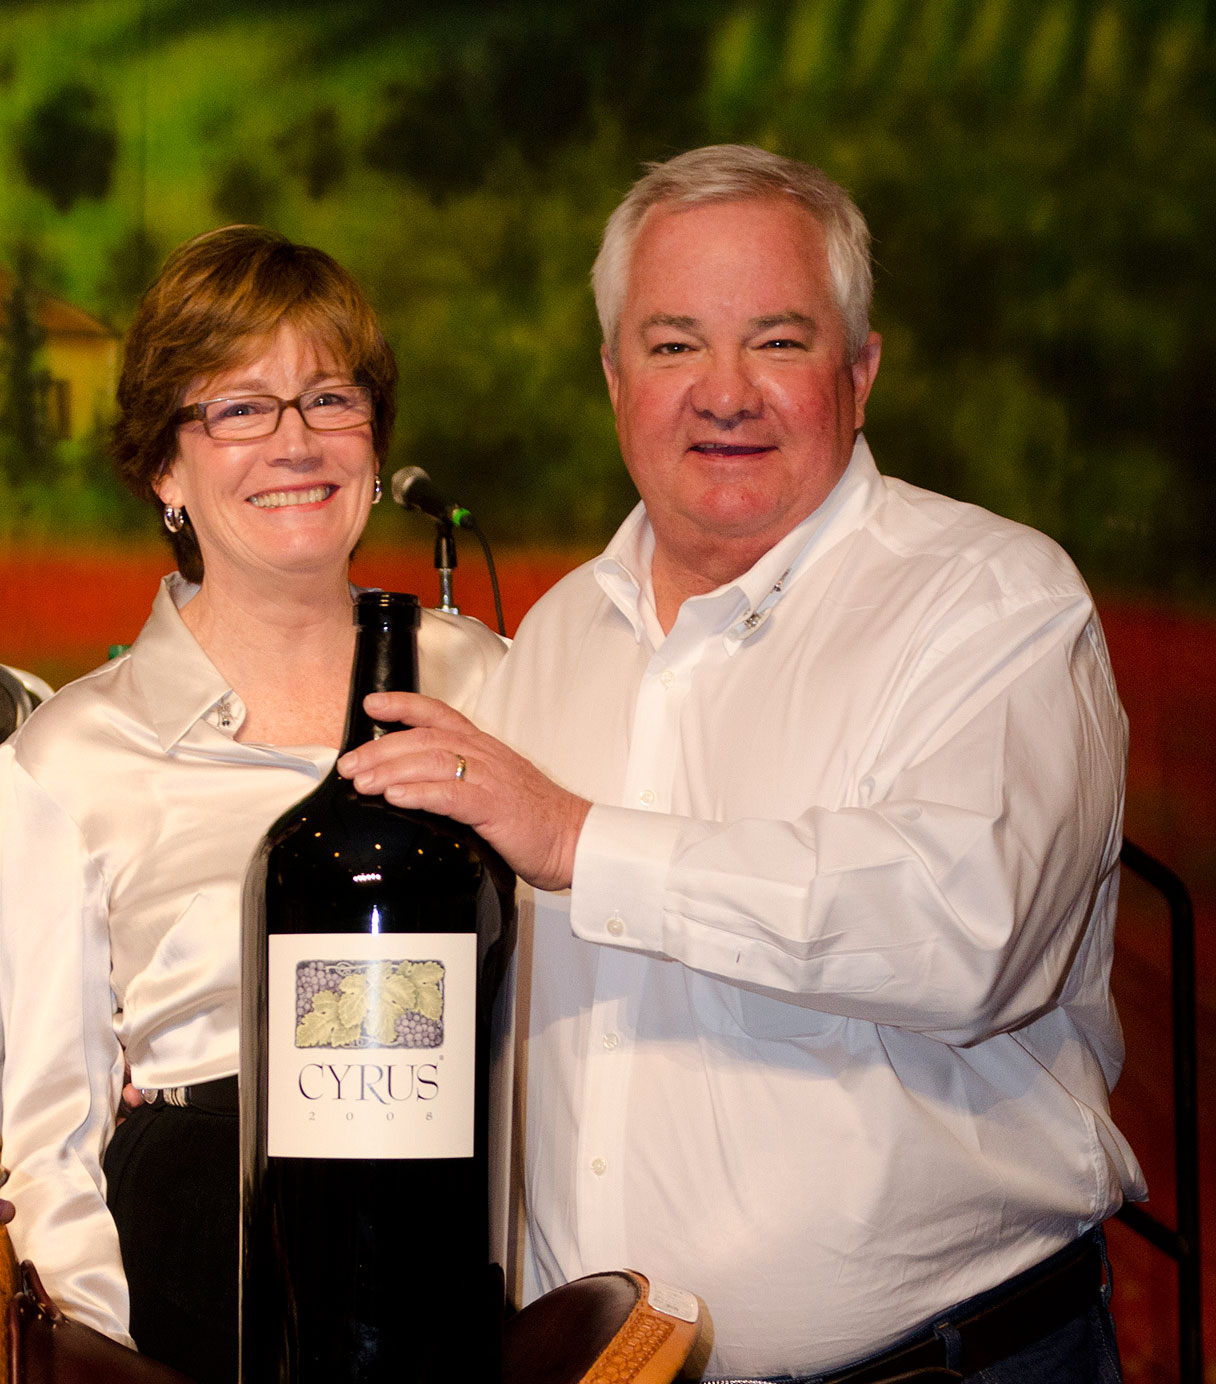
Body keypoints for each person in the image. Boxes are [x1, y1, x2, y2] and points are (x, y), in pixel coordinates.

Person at [339, 145, 1142, 1382]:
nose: (725, 393)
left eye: (777, 341)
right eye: (673, 345)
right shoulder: (554, 639)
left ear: (859, 373)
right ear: (614, 379)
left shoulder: (990, 601)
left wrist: (583, 840)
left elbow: (968, 929)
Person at [0, 226, 505, 1383]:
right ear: (165, 469)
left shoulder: (499, 689)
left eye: (330, 397)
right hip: (200, 1278)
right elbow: (49, 1143)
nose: (296, 441)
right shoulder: (65, 760)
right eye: (239, 408)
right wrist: (97, 1362)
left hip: (466, 1253)